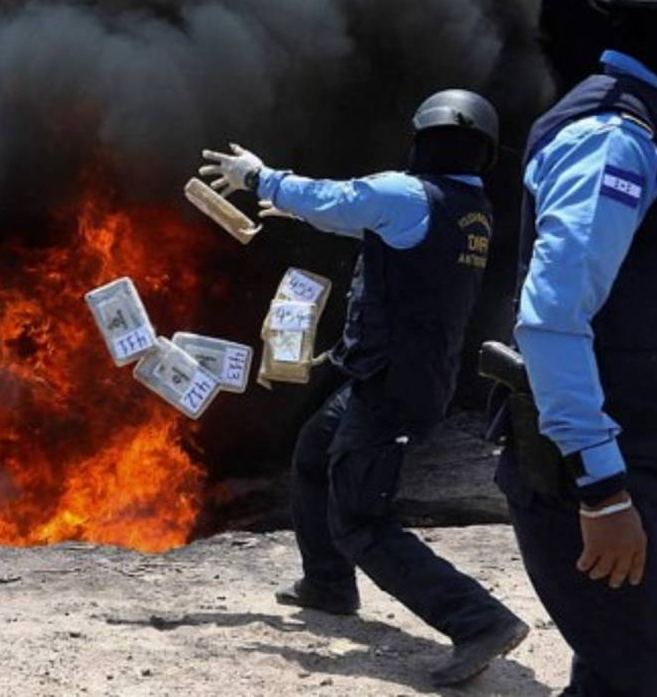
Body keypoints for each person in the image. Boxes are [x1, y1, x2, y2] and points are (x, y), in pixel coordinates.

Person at [201, 89, 528, 687]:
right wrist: (298, 210)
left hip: (392, 387)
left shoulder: (408, 194)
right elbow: (378, 227)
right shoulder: (469, 207)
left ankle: (479, 620)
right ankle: (327, 585)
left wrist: (260, 178)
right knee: (313, 454)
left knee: (361, 520)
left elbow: (347, 200)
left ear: (422, 138)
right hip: (394, 375)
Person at [494, 0, 657, 694]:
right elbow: (552, 320)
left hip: (651, 465)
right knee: (644, 677)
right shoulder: (613, 136)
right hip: (608, 479)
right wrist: (603, 490)